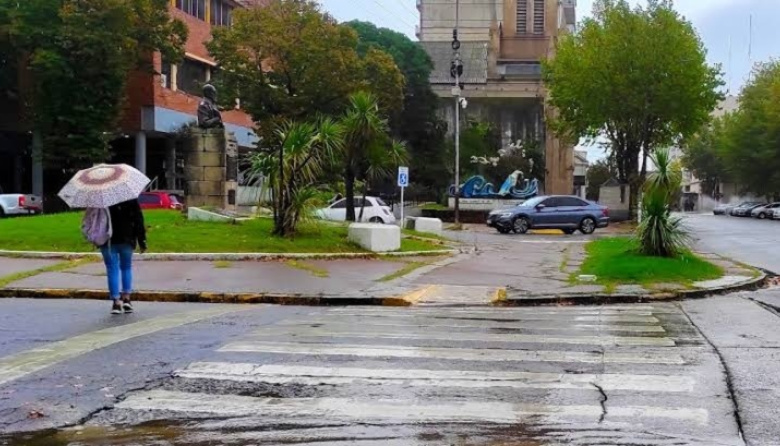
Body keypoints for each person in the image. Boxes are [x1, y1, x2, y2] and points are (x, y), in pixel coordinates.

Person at [101, 199, 147, 314]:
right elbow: (138, 219)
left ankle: (116, 303)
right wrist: (142, 241)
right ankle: (126, 298)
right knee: (126, 268)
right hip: (127, 238)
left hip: (107, 240)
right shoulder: (130, 199)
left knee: (112, 270)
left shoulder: (101, 199)